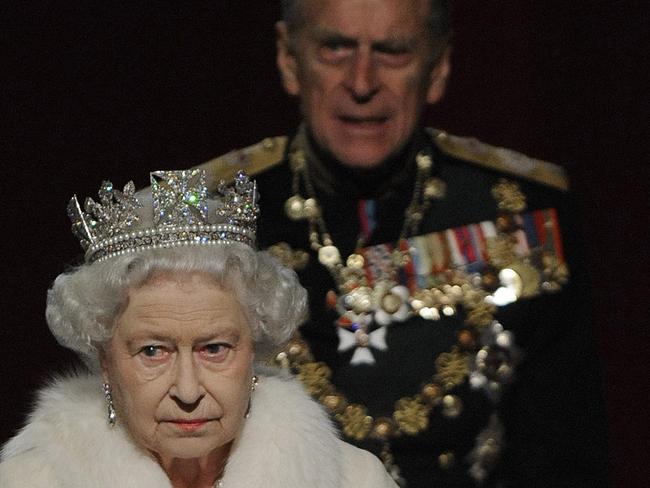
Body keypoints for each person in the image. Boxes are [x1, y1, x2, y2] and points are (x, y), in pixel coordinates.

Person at [195, 1, 610, 486]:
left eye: (393, 52)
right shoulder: (206, 215)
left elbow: (564, 453)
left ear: (437, 69)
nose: (362, 82)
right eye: (335, 48)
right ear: (290, 60)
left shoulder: (520, 211)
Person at [0, 170, 397, 488]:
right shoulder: (29, 482)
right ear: (105, 361)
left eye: (215, 349)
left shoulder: (353, 480)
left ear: (254, 352)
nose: (188, 392)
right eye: (153, 351)